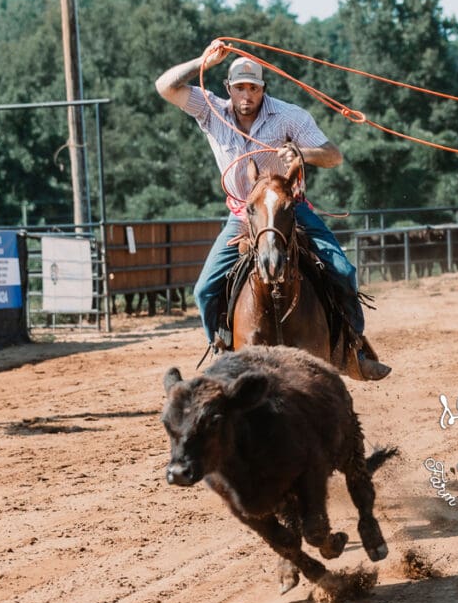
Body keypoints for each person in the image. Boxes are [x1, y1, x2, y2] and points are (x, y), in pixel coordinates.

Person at [155, 40, 390, 380]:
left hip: (287, 207)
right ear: (228, 89)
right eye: (239, 88)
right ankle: (221, 349)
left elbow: (333, 155)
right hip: (243, 214)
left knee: (342, 270)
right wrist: (204, 61)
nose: (246, 95)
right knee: (204, 289)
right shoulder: (211, 110)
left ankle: (353, 348)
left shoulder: (289, 116)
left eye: (253, 88)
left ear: (263, 89)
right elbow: (165, 86)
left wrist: (302, 154)